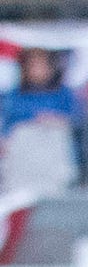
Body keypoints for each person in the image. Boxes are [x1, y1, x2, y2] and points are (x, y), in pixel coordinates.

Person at [1, 44, 83, 176]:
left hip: (55, 159)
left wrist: (51, 121)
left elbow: (76, 121)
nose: (37, 69)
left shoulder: (64, 94)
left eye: (41, 64)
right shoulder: (14, 95)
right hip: (22, 160)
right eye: (32, 65)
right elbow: (7, 126)